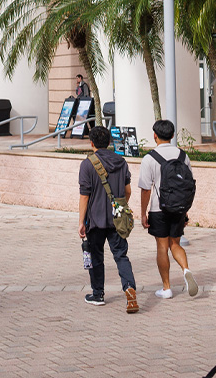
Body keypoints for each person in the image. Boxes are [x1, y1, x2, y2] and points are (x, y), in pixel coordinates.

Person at [78, 126, 138, 313]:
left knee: (96, 256)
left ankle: (98, 294)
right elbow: (127, 191)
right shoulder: (121, 161)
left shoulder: (87, 164)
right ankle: (129, 288)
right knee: (121, 255)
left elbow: (84, 196)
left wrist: (81, 221)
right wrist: (120, 207)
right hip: (117, 219)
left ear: (92, 143)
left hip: (95, 219)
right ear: (109, 142)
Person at [137, 119, 199, 300]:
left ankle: (166, 288)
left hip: (159, 209)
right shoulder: (183, 156)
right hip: (179, 208)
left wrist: (143, 213)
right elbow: (187, 185)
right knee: (175, 244)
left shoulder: (150, 158)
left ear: (155, 135)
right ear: (172, 135)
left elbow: (146, 189)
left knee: (162, 247)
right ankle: (186, 270)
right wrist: (185, 210)